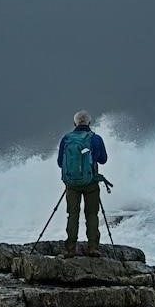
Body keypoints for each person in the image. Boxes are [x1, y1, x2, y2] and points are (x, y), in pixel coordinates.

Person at [57, 110, 108, 258]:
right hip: (91, 183)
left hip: (71, 184)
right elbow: (103, 160)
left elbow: (60, 163)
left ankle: (70, 249)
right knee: (92, 214)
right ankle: (93, 248)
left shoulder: (66, 139)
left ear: (75, 123)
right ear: (89, 123)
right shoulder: (96, 138)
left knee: (72, 214)